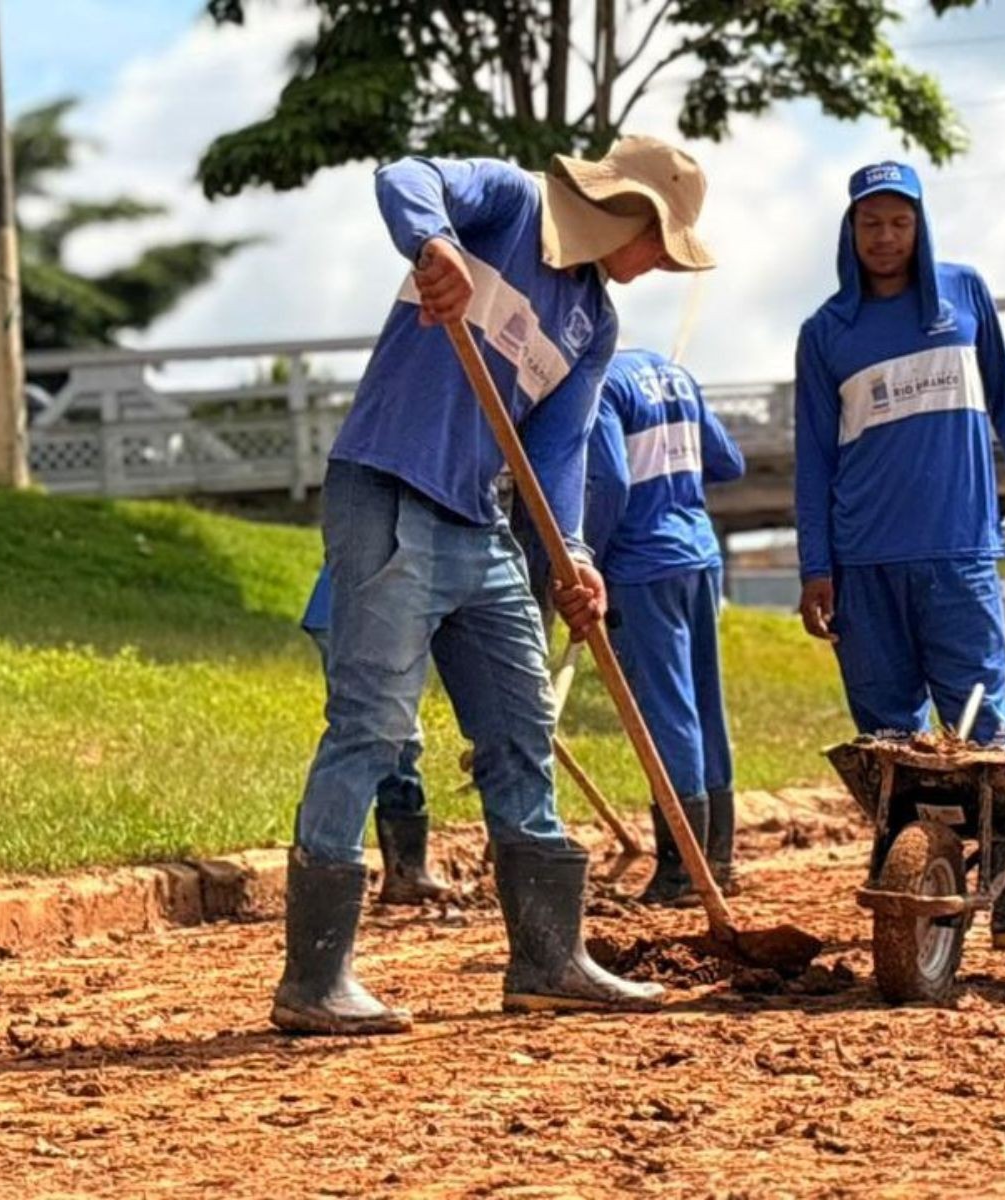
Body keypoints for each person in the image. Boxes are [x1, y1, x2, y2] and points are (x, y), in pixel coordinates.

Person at [274, 135, 715, 1036]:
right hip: (390, 490)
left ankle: (548, 960)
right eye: (659, 245)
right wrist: (432, 244)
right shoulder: (508, 204)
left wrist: (573, 553)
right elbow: (404, 175)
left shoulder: (595, 325)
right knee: (372, 724)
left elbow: (553, 450)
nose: (659, 265)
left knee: (523, 725)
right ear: (628, 213)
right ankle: (315, 979)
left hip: (480, 526)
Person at [792, 160, 1005, 949]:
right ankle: (906, 900)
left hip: (958, 555)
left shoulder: (965, 296)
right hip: (864, 560)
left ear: (920, 226)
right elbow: (814, 458)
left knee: (987, 733)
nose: (885, 238)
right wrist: (818, 565)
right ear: (850, 232)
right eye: (870, 223)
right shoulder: (826, 333)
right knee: (889, 740)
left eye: (899, 222)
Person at [582, 349, 745, 906]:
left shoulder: (603, 385)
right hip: (699, 556)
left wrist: (590, 562)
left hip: (641, 564)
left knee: (667, 710)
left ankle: (680, 870)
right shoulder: (677, 374)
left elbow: (608, 482)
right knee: (704, 703)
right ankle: (717, 858)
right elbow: (728, 462)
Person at [299, 566, 451, 905]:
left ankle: (404, 873)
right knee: (378, 741)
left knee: (394, 742)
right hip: (362, 615)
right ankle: (326, 879)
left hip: (362, 612)